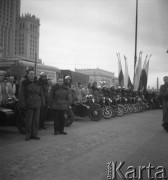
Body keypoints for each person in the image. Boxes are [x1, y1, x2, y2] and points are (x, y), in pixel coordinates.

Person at [18, 67, 45, 141]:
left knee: (36, 121)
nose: (32, 75)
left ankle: (34, 134)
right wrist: (22, 104)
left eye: (33, 74)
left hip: (37, 105)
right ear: (27, 75)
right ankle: (28, 135)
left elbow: (41, 94)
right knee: (28, 121)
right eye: (31, 74)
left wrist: (43, 103)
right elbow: (21, 94)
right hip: (29, 105)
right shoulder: (24, 83)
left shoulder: (37, 83)